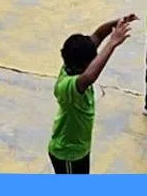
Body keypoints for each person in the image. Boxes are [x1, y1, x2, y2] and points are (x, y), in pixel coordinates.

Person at [48, 15, 135, 174]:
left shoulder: (72, 63)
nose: (94, 62)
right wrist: (112, 43)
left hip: (79, 149)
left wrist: (117, 22)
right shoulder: (68, 86)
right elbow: (90, 76)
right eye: (91, 61)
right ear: (83, 65)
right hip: (67, 153)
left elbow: (98, 35)